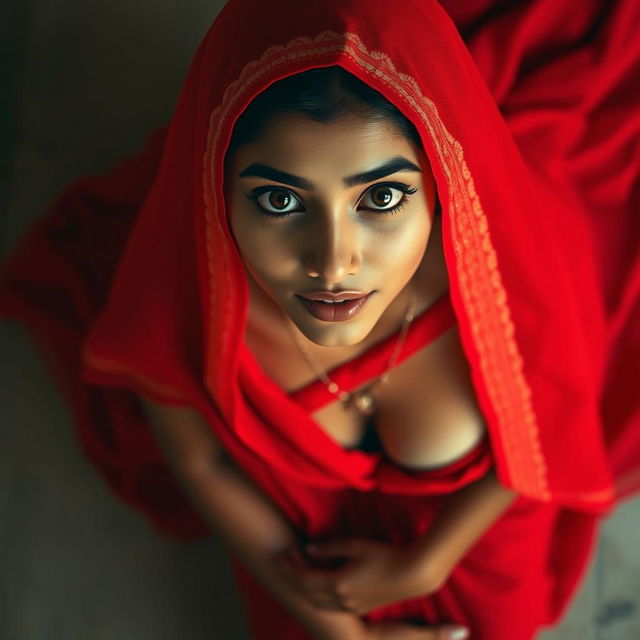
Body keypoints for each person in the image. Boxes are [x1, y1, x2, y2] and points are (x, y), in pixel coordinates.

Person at [1, 0, 638, 638]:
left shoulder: (506, 274)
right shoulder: (188, 299)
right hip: (296, 557)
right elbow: (201, 464)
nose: (334, 263)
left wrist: (426, 564)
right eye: (279, 200)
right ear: (216, 188)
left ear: (440, 185)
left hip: (471, 537)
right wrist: (341, 631)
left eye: (382, 197)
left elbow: (543, 435)